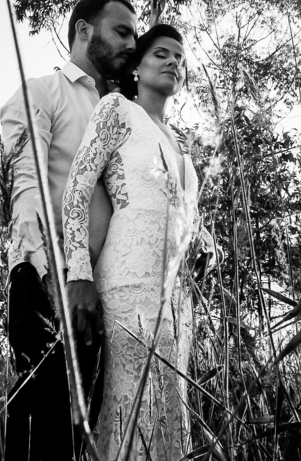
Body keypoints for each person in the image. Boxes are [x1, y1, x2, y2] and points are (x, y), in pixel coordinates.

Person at [62, 24, 214, 461]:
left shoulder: (181, 143)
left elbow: (186, 213)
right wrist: (78, 273)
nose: (173, 63)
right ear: (137, 68)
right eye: (161, 54)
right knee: (132, 404)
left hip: (177, 299)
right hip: (128, 285)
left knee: (171, 408)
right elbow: (78, 187)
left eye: (180, 59)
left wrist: (205, 239)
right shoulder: (118, 110)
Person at [0, 0, 137, 461]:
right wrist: (47, 279)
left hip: (114, 297)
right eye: (122, 31)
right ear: (83, 30)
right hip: (52, 283)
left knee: (94, 440)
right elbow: (27, 188)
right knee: (45, 435)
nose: (132, 44)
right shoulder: (43, 92)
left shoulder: (127, 111)